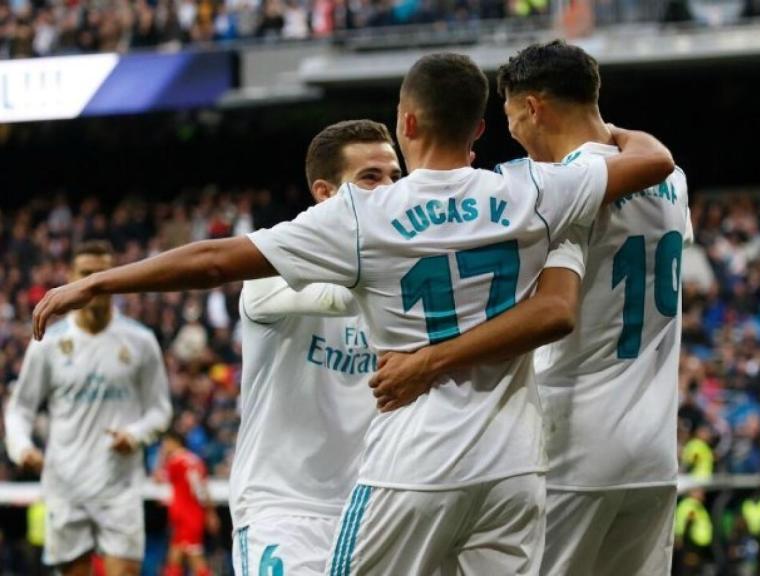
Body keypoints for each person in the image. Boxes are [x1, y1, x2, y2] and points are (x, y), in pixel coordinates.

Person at [31, 52, 676, 575]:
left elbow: (212, 260)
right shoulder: (529, 189)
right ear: (480, 129)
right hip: (516, 470)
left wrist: (103, 284)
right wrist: (612, 132)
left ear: (408, 123)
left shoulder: (366, 218)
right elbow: (653, 163)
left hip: (415, 463)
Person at [368, 39, 692, 576]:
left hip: (574, 449)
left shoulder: (550, 190)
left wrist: (427, 360)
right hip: (653, 455)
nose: (511, 131)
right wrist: (621, 135)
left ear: (533, 107)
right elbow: (650, 164)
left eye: (511, 116)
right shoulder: (671, 181)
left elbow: (549, 313)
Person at [230, 119, 400, 576]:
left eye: (394, 177)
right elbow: (343, 294)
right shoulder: (269, 270)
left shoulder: (402, 268)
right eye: (370, 178)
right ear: (325, 194)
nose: (387, 189)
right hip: (284, 507)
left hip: (376, 505)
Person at [6, 240, 172, 576]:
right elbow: (20, 409)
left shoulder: (140, 341)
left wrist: (136, 435)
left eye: (104, 273)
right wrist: (22, 449)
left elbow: (160, 410)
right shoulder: (48, 344)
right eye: (86, 273)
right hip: (66, 484)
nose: (95, 281)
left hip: (119, 485)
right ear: (70, 277)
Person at [160, 431, 216, 576]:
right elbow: (201, 488)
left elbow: (158, 478)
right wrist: (210, 513)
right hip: (190, 515)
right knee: (174, 557)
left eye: (165, 443)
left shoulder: (175, 461)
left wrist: (161, 458)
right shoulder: (194, 460)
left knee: (194, 558)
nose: (164, 447)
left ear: (175, 442)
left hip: (187, 517)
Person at [673, 489, 714, 575]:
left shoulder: (698, 506)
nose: (703, 496)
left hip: (698, 547)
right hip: (690, 545)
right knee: (688, 569)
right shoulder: (690, 505)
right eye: (700, 493)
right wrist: (679, 537)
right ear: (692, 493)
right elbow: (684, 522)